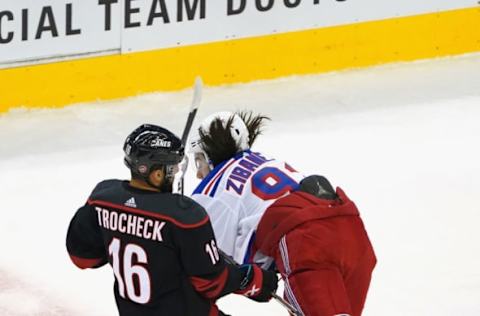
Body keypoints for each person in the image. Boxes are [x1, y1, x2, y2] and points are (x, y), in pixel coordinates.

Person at [66, 123, 278, 316]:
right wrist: (251, 278)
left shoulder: (103, 197)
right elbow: (211, 283)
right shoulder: (184, 216)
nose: (176, 173)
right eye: (172, 169)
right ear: (156, 174)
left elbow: (83, 258)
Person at [189, 111, 376, 316]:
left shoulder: (212, 192)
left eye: (199, 161)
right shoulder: (263, 161)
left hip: (307, 244)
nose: (198, 173)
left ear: (209, 156)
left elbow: (211, 271)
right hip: (351, 230)